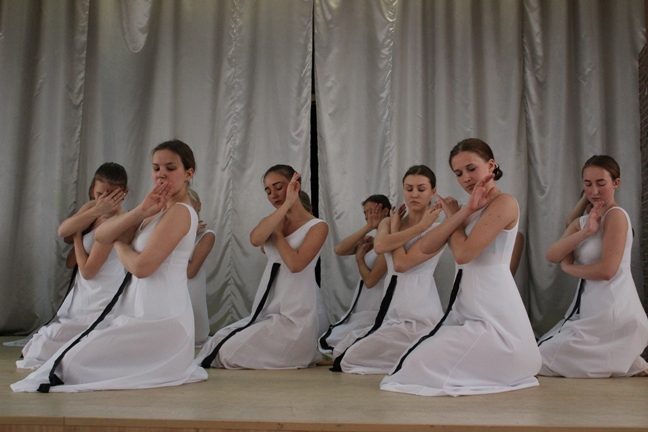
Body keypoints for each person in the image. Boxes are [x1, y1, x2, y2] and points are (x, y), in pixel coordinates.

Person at [12, 139, 208, 392]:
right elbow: (103, 235)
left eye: (170, 168)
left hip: (162, 319)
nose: (161, 174)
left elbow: (141, 268)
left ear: (188, 173)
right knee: (67, 358)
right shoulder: (156, 210)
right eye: (156, 168)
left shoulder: (181, 211)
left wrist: (120, 244)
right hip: (136, 312)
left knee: (71, 364)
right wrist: (140, 210)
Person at [381, 138, 541, 396]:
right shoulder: (471, 209)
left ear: (491, 165)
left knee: (415, 367)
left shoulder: (505, 202)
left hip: (494, 313)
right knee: (410, 363)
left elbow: (465, 253)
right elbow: (426, 247)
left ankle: (509, 361)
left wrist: (457, 215)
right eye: (458, 173)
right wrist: (461, 213)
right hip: (467, 312)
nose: (465, 178)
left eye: (471, 168)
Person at [195, 165, 328, 369]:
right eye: (268, 191)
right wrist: (284, 209)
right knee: (216, 341)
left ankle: (306, 352)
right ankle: (310, 354)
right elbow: (256, 240)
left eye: (278, 187)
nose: (273, 195)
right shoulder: (272, 220)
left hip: (294, 314)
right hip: (266, 311)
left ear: (294, 186)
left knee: (227, 352)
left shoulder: (317, 226)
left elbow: (295, 264)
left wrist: (278, 234)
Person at [538, 155, 648, 377]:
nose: (594, 191)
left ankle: (624, 357)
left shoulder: (617, 216)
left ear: (616, 183)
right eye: (588, 184)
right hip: (591, 310)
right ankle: (627, 361)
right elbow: (553, 254)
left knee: (538, 359)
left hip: (615, 312)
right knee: (539, 352)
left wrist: (569, 268)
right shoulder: (583, 222)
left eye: (601, 183)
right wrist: (587, 231)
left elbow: (607, 271)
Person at [331, 166, 445, 374]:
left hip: (420, 308)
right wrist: (403, 227)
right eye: (409, 189)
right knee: (341, 352)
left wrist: (409, 229)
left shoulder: (438, 229)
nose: (414, 194)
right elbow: (380, 246)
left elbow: (401, 264)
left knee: (350, 359)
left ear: (433, 192)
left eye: (421, 189)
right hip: (392, 308)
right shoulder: (389, 221)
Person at [14, 163, 128, 363]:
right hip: (83, 294)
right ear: (93, 189)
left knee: (51, 341)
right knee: (47, 338)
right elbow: (63, 231)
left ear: (123, 193)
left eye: (110, 195)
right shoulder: (92, 208)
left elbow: (87, 271)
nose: (103, 200)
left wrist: (77, 236)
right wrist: (94, 212)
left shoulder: (116, 223)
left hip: (102, 296)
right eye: (99, 194)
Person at [318, 195, 391, 354]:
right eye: (365, 213)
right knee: (334, 337)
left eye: (371, 211)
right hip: (364, 303)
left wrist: (359, 259)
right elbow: (339, 249)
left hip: (377, 304)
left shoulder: (389, 242)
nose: (368, 216)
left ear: (385, 211)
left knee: (344, 341)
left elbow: (370, 281)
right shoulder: (371, 241)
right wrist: (368, 227)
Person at [187, 189, 215, 347]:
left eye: (189, 205)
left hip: (191, 297)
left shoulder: (207, 236)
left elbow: (190, 272)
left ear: (198, 206)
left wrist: (187, 238)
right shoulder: (168, 234)